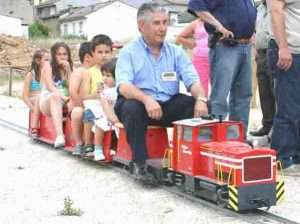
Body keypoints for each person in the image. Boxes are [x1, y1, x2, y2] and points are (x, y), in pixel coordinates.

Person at [115, 3, 208, 181]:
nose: (163, 28)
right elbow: (124, 87)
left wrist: (201, 99)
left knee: (197, 106)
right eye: (157, 23)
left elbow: (192, 80)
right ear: (141, 26)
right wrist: (146, 99)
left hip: (165, 105)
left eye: (165, 22)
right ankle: (139, 164)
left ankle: (195, 162)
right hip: (138, 105)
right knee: (132, 107)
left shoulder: (175, 52)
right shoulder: (129, 52)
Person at [188, 0, 257, 132]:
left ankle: (238, 139)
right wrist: (218, 26)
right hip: (225, 45)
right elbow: (197, 6)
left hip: (245, 45)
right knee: (220, 96)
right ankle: (217, 139)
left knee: (243, 96)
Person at [267, 0, 300, 170]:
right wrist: (283, 47)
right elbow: (275, 11)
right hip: (290, 52)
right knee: (288, 107)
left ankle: (296, 156)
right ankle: (283, 158)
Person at [81, 34, 113, 155]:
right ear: (93, 53)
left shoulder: (115, 69)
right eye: (100, 52)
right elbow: (84, 96)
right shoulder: (89, 73)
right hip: (95, 103)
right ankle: (89, 144)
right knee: (89, 112)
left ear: (112, 52)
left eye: (107, 52)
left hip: (110, 102)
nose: (104, 55)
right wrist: (96, 93)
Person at [39, 42, 73, 148]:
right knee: (55, 96)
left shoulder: (69, 67)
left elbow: (73, 87)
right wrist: (64, 98)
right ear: (54, 55)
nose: (62, 57)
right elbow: (50, 87)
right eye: (59, 54)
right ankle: (59, 136)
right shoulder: (48, 66)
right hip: (48, 101)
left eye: (65, 54)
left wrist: (68, 70)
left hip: (65, 101)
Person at [250, 0, 275, 137]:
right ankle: (267, 124)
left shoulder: (278, 5)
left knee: (275, 91)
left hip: (274, 50)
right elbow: (256, 30)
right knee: (263, 91)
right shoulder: (259, 8)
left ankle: (278, 128)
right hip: (260, 52)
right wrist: (255, 47)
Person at [69, 42, 94, 155]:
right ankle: (79, 142)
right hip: (79, 105)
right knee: (78, 112)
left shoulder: (97, 71)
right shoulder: (79, 72)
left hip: (94, 104)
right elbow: (73, 92)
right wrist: (82, 105)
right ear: (87, 57)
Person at [176, 19, 210, 97]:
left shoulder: (219, 20)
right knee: (202, 89)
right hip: (200, 59)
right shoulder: (195, 23)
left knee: (218, 88)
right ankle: (202, 107)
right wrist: (191, 43)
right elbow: (179, 38)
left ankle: (214, 108)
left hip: (217, 58)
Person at [94, 58, 119, 161]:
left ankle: (116, 147)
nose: (104, 78)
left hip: (117, 114)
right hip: (105, 114)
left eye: (108, 76)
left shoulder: (119, 88)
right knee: (100, 124)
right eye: (103, 75)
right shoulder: (104, 90)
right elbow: (103, 104)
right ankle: (98, 148)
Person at [22, 49, 50, 138]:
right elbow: (25, 96)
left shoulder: (49, 73)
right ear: (38, 61)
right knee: (39, 97)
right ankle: (34, 127)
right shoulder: (31, 75)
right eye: (46, 60)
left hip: (44, 97)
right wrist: (33, 109)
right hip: (34, 99)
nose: (49, 62)